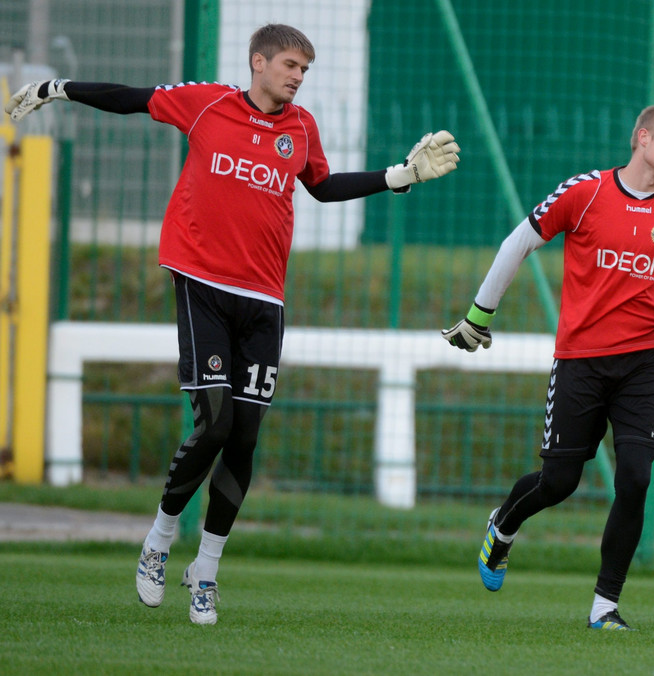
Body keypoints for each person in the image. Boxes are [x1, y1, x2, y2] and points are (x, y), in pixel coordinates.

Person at [5, 23, 460, 625]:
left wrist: (398, 176)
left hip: (264, 299)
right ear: (259, 62)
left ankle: (207, 570)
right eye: (291, 65)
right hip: (203, 284)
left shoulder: (301, 128)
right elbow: (133, 96)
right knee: (215, 421)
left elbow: (321, 187)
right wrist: (58, 88)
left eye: (305, 69)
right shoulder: (208, 104)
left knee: (244, 436)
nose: (298, 77)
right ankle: (160, 541)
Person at [441, 105, 654, 631]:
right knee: (559, 481)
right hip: (580, 363)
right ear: (642, 138)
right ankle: (502, 526)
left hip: (645, 361)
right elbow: (518, 242)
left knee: (635, 477)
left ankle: (604, 606)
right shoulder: (585, 191)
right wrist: (479, 313)